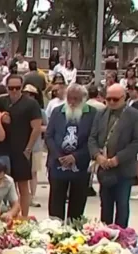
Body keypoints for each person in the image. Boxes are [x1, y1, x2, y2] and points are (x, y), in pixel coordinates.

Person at [89, 84, 138, 228]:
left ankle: (122, 235)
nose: (112, 102)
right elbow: (92, 138)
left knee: (122, 205)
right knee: (105, 206)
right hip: (104, 169)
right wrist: (97, 156)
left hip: (123, 169)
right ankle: (105, 236)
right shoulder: (100, 114)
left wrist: (118, 159)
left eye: (115, 99)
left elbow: (137, 142)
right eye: (108, 99)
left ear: (124, 98)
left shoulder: (134, 115)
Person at [45, 83, 96, 222]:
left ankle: (74, 229)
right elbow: (49, 136)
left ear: (83, 98)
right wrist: (58, 155)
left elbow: (93, 139)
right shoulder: (57, 111)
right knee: (56, 200)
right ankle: (55, 229)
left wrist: (76, 156)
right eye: (70, 98)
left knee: (78, 201)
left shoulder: (92, 113)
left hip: (80, 165)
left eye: (76, 99)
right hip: (58, 163)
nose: (72, 102)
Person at [0, 75, 43, 216]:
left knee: (23, 186)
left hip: (22, 149)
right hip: (4, 150)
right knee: (2, 185)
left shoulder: (31, 104)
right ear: (7, 88)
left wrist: (28, 149)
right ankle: (6, 215)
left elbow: (36, 128)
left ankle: (23, 217)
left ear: (22, 88)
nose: (14, 91)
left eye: (17, 88)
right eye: (11, 88)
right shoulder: (1, 101)